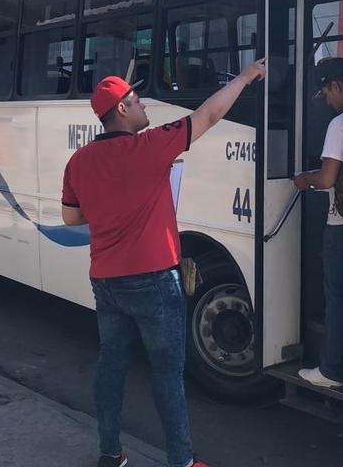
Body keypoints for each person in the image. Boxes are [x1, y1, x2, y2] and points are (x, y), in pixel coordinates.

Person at [62, 59, 266, 467]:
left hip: (106, 281)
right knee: (167, 372)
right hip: (153, 280)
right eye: (137, 100)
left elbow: (71, 217)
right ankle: (182, 461)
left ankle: (110, 453)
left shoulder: (79, 161)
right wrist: (245, 77)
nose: (144, 106)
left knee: (111, 366)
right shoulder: (150, 146)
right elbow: (209, 114)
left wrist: (107, 208)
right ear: (122, 109)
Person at [292, 57, 343, 389]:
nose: (327, 101)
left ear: (337, 86)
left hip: (341, 222)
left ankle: (331, 370)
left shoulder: (340, 124)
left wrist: (304, 179)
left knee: (337, 296)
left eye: (327, 93)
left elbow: (327, 179)